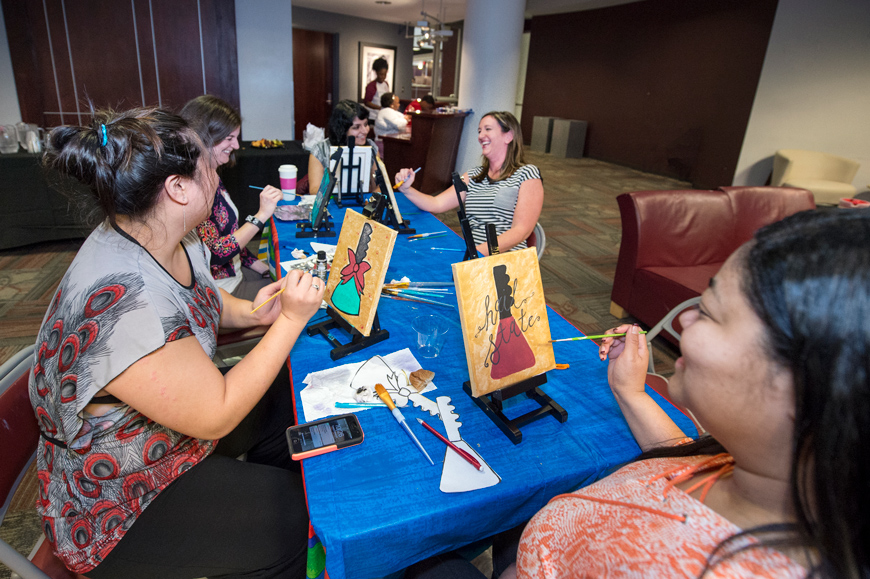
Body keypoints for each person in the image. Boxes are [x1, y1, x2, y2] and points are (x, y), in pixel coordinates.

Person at [406, 209, 870, 579]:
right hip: (546, 542)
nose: (684, 320)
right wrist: (632, 393)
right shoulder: (762, 470)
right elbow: (681, 460)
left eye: (709, 312)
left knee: (415, 553)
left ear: (800, 387)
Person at [32, 107, 326, 578]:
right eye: (208, 164)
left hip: (164, 437)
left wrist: (257, 311)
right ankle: (270, 541)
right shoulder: (122, 300)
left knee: (284, 405)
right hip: (115, 499)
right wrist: (290, 321)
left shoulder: (164, 235)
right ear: (178, 187)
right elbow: (215, 414)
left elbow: (202, 301)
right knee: (293, 517)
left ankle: (252, 522)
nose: (219, 167)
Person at [394, 111, 543, 255]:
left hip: (504, 260)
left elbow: (521, 231)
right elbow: (436, 203)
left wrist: (479, 253)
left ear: (508, 136)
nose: (480, 136)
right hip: (473, 257)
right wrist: (407, 189)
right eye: (479, 131)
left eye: (488, 129)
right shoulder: (473, 175)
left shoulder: (527, 174)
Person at [180, 95, 281, 301]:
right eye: (229, 138)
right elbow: (215, 254)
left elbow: (232, 237)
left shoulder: (211, 174)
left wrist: (264, 269)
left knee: (285, 277)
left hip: (235, 275)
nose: (236, 145)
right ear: (203, 137)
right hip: (221, 291)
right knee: (300, 299)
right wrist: (260, 216)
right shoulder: (193, 189)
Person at [305, 99, 377, 194]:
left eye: (366, 124)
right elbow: (315, 190)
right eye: (356, 127)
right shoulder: (320, 149)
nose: (365, 131)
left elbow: (377, 186)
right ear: (342, 130)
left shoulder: (371, 147)